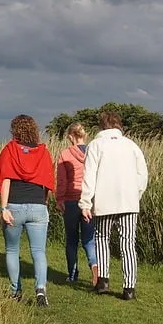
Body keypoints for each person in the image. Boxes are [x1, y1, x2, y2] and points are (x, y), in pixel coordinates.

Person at [79, 111, 148, 300]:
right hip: (129, 202)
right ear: (119, 125)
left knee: (102, 238)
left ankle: (103, 281)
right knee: (128, 244)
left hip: (104, 201)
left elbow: (89, 176)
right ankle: (129, 288)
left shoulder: (95, 145)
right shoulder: (132, 146)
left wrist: (85, 202)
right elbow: (142, 175)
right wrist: (136, 195)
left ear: (101, 126)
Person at [0, 114, 56, 307]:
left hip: (14, 206)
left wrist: (4, 207)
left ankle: (15, 291)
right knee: (38, 251)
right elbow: (47, 181)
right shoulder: (43, 152)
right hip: (38, 206)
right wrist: (44, 203)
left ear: (15, 130)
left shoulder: (10, 150)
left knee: (12, 250)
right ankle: (40, 290)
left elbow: (5, 179)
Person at [56, 122, 98, 286]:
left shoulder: (65, 154)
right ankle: (94, 265)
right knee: (89, 239)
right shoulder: (93, 152)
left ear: (70, 136)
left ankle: (72, 274)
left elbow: (62, 180)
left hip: (71, 200)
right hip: (90, 200)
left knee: (71, 239)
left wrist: (60, 199)